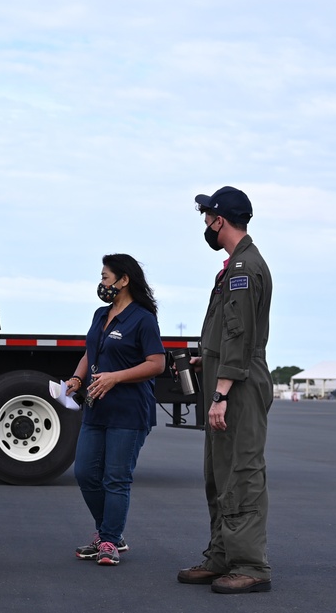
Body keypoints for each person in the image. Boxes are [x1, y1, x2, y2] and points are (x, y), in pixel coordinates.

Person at [177, 186, 274, 594]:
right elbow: (227, 336)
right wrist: (207, 360)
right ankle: (222, 554)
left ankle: (251, 565)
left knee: (242, 473)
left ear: (221, 220)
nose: (205, 224)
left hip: (239, 388)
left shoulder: (243, 269)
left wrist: (220, 393)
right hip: (227, 377)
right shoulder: (236, 265)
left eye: (208, 216)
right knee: (218, 473)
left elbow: (241, 335)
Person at [65, 253, 165, 566]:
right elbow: (90, 351)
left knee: (116, 478)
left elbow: (157, 363)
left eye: (106, 277)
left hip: (129, 411)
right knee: (84, 472)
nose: (102, 282)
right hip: (97, 409)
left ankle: (108, 540)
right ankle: (110, 532)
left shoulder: (143, 318)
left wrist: (115, 378)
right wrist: (78, 377)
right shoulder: (100, 314)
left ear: (124, 280)